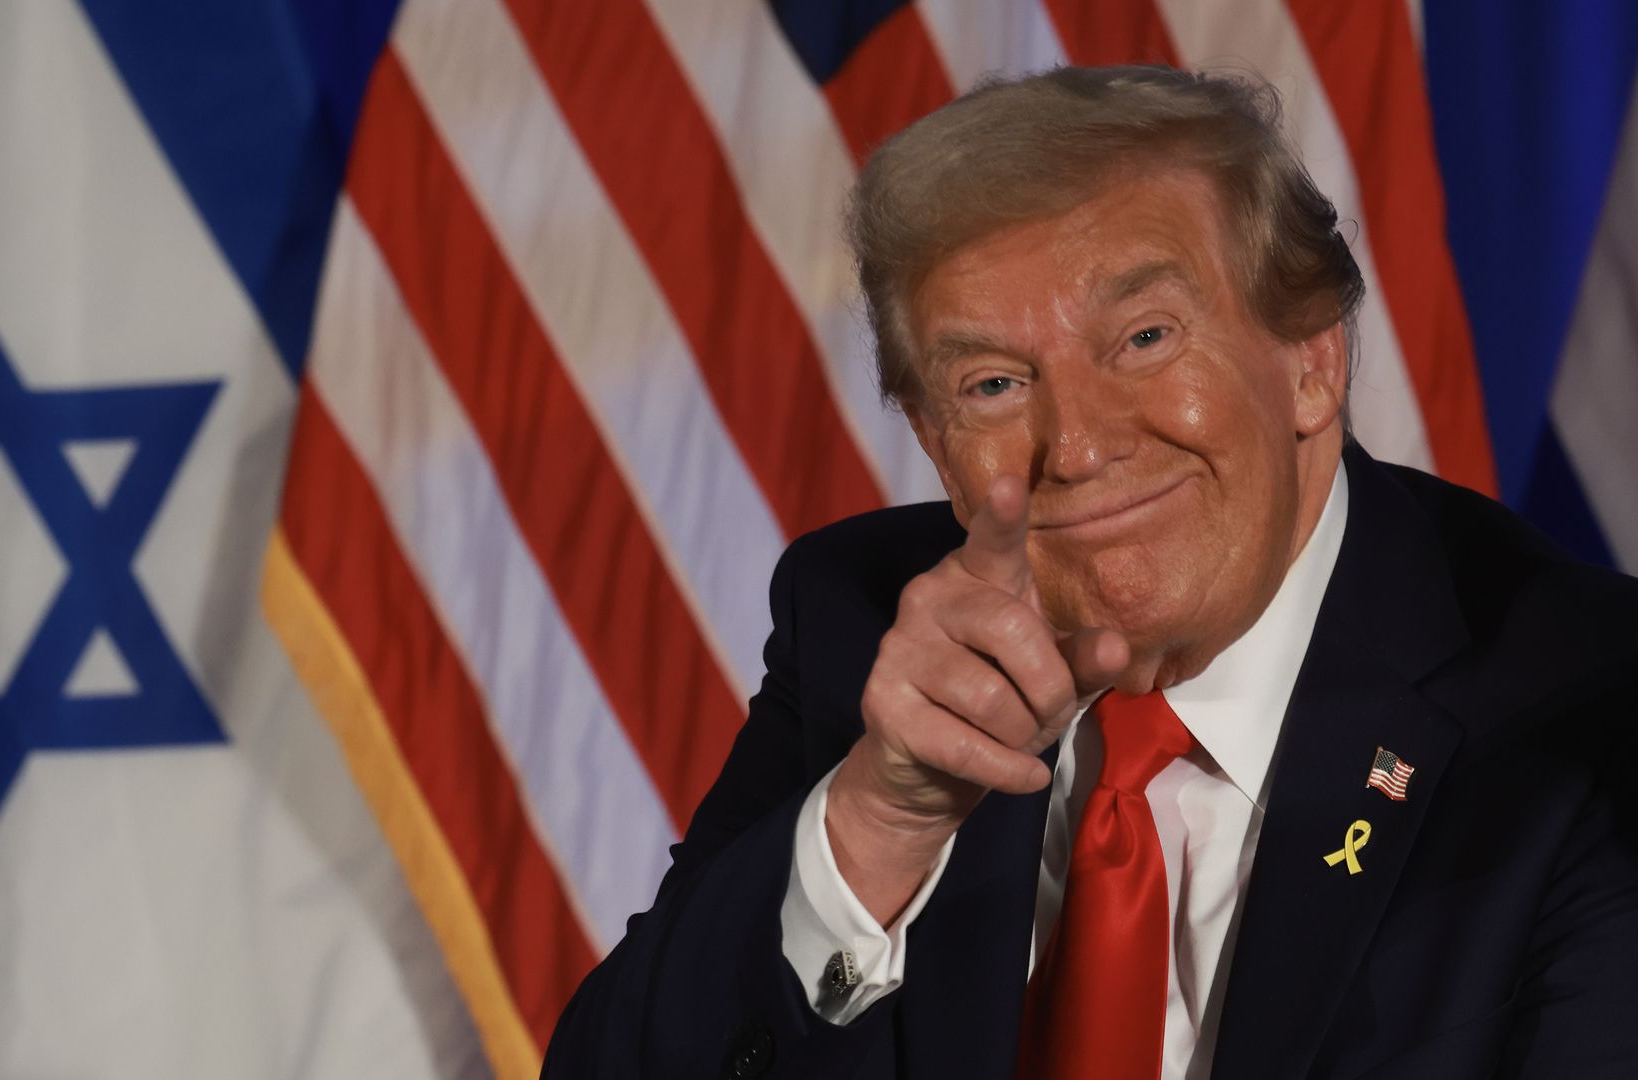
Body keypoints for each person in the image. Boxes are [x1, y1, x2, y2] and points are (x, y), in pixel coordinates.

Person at [540, 65, 1638, 1079]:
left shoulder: (1585, 709)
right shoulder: (865, 628)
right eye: (992, 386)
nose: (1077, 446)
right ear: (933, 443)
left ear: (1312, 361)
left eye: (1146, 338)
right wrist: (878, 825)